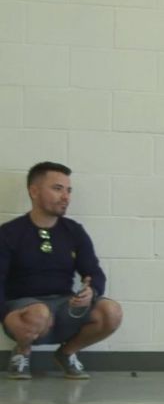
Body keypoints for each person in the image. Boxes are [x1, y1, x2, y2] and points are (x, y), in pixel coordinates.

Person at [2, 162, 123, 380]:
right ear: (34, 191)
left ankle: (66, 354)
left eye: (68, 190)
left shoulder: (74, 231)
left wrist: (91, 291)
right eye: (57, 189)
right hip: (24, 311)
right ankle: (22, 352)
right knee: (38, 312)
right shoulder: (9, 233)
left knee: (111, 311)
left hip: (63, 307)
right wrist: (4, 316)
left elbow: (94, 272)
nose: (66, 196)